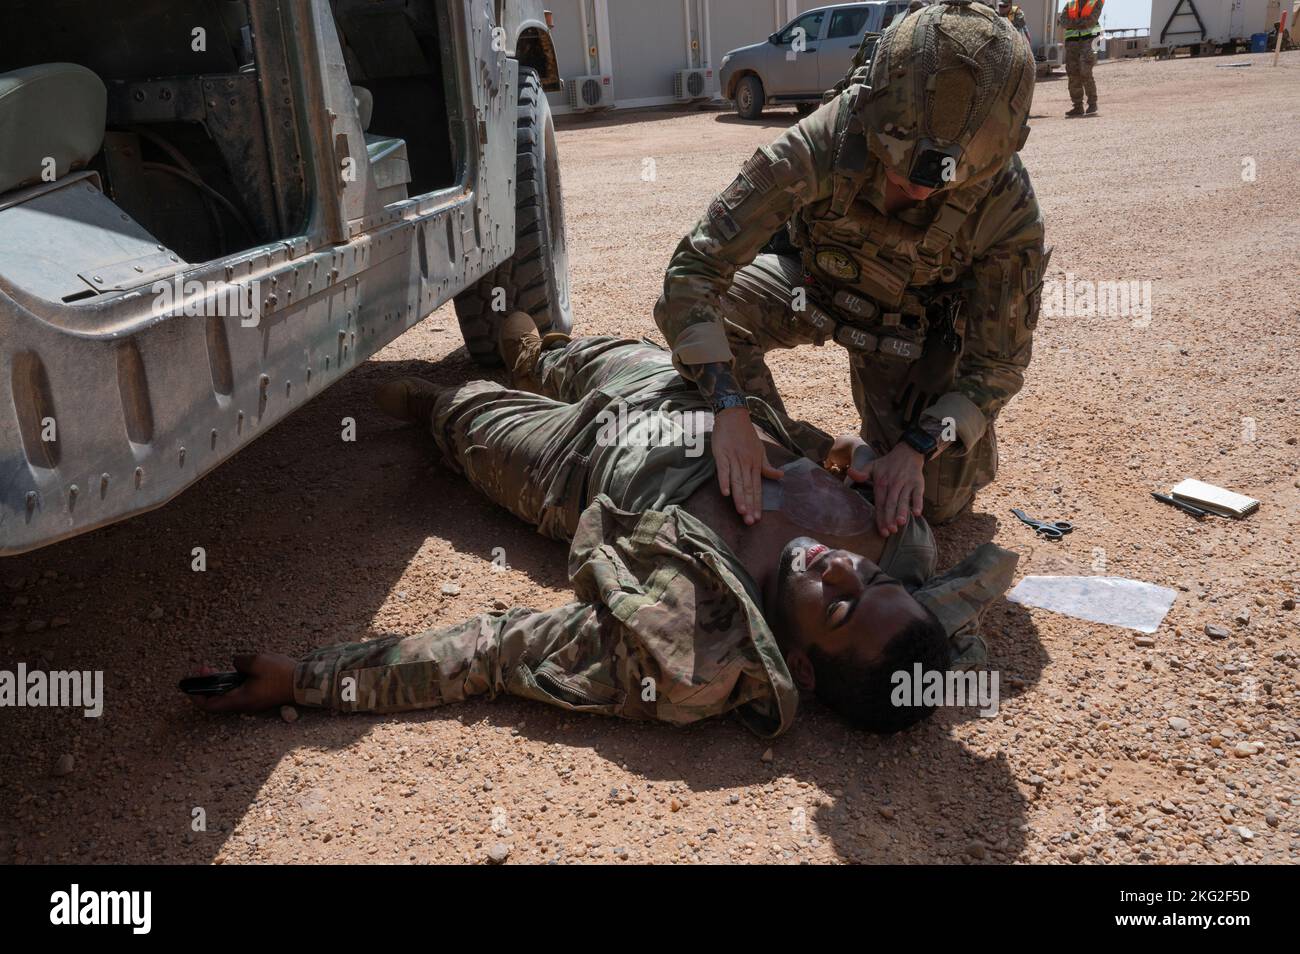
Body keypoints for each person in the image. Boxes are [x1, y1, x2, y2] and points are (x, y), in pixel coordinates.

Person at [190, 318, 1017, 737]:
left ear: (798, 659)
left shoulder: (696, 634)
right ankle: (534, 354)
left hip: (577, 463)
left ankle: (442, 407)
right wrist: (845, 448)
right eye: (862, 579)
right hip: (684, 398)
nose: (839, 571)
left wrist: (308, 678)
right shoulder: (896, 540)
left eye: (835, 605)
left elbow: (497, 648)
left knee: (463, 416)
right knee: (570, 352)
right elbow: (936, 593)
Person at [655, 1, 1046, 544]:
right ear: (875, 110)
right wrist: (729, 409)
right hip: (810, 289)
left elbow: (997, 365)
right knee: (713, 330)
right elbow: (694, 270)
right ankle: (802, 448)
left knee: (933, 503)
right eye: (901, 162)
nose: (921, 190)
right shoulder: (827, 138)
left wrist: (915, 449)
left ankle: (883, 450)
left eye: (944, 181)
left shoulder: (1007, 206)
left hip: (911, 332)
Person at [1058, 0, 1103, 117]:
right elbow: (1062, 22)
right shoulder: (1070, 4)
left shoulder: (1095, 2)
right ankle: (1077, 106)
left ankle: (1092, 103)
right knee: (1073, 73)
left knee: (1085, 70)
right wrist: (1080, 22)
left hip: (1091, 40)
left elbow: (1091, 21)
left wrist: (1073, 22)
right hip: (1072, 43)